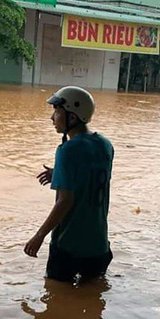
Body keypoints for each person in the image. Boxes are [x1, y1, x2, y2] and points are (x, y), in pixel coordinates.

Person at [24, 86, 114, 282]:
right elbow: (90, 176)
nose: (52, 118)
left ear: (72, 118)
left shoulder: (67, 150)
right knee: (92, 302)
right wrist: (59, 174)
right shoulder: (105, 145)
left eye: (56, 111)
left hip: (68, 247)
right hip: (99, 247)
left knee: (55, 303)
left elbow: (65, 201)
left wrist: (39, 236)